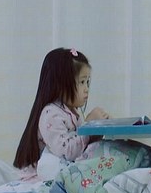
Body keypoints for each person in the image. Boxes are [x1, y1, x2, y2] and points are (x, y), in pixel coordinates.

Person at [13, 48, 111, 181]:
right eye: (82, 82)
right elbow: (67, 152)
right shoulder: (51, 114)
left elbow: (81, 147)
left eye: (87, 82)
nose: (86, 89)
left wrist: (98, 128)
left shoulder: (71, 113)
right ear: (61, 84)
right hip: (38, 178)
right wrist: (88, 127)